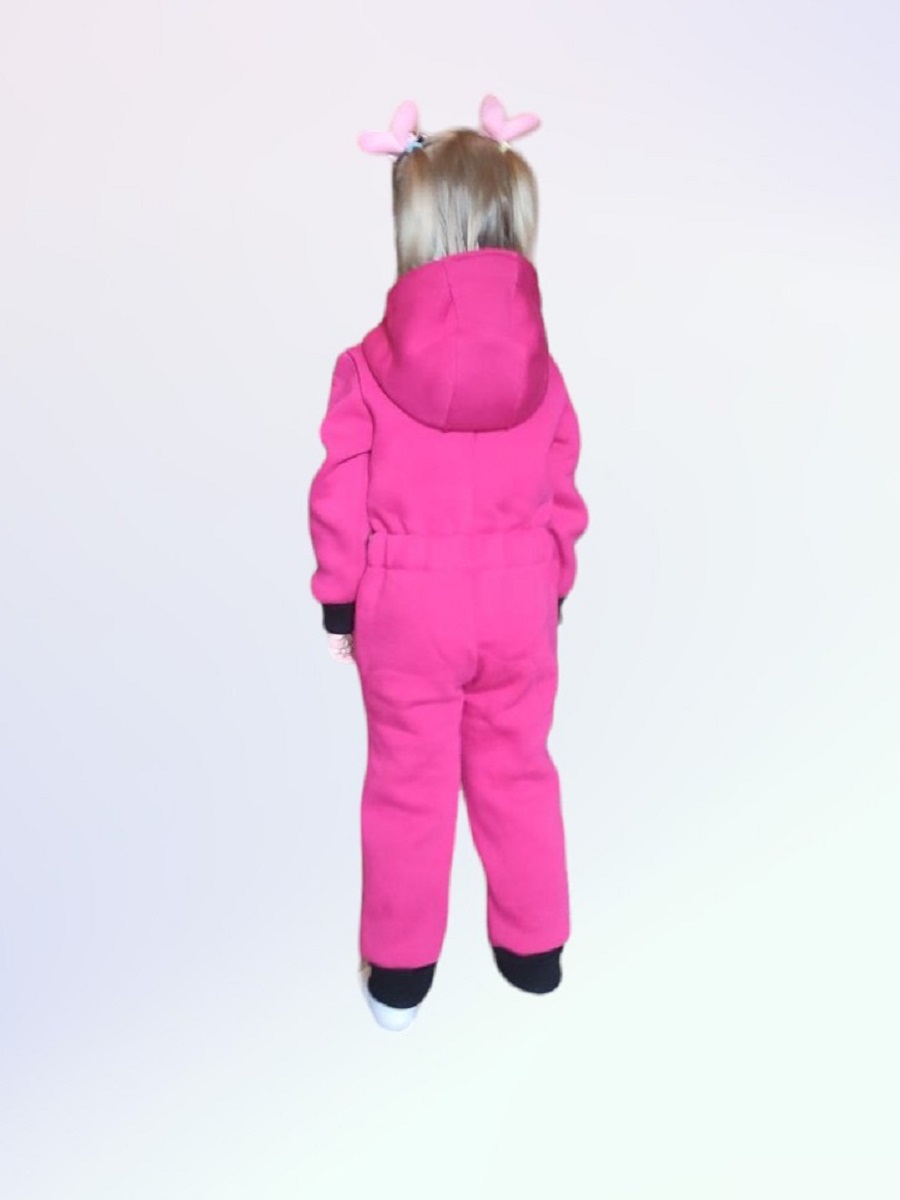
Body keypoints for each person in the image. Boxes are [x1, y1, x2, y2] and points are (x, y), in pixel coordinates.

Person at [307, 95, 590, 1031]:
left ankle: (399, 983)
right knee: (519, 769)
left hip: (407, 607)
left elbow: (340, 494)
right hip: (518, 601)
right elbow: (563, 490)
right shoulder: (545, 373)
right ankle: (534, 954)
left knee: (407, 785)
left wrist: (340, 605)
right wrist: (552, 586)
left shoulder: (364, 367)